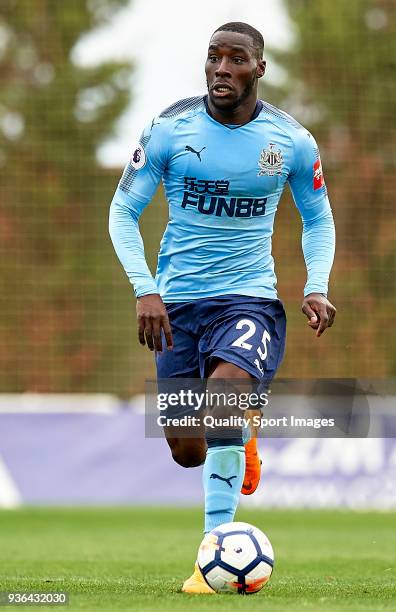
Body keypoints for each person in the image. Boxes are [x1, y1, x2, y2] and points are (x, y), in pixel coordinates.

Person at [109, 21, 336, 594]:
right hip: (178, 302)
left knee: (223, 406)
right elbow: (122, 213)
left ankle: (212, 558)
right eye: (214, 59)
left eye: (235, 61)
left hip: (249, 299)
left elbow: (318, 218)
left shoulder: (290, 141)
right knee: (187, 448)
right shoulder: (168, 130)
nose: (221, 71)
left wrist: (316, 285)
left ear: (258, 69)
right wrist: (145, 287)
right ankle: (244, 437)